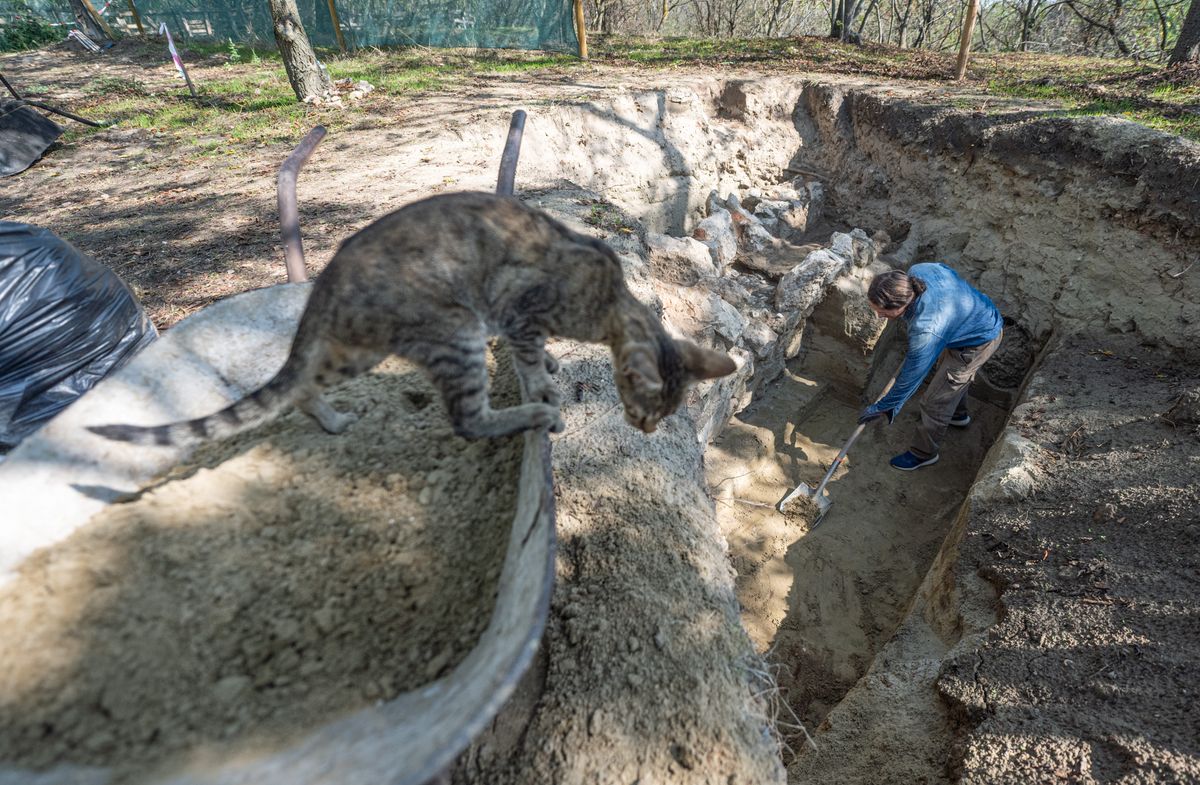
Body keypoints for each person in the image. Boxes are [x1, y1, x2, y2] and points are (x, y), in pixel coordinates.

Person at [858, 263, 1003, 471]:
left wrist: (885, 406)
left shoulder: (927, 330)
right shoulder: (920, 270)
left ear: (901, 305)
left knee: (935, 401)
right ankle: (958, 416)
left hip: (977, 341)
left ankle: (923, 453)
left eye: (883, 312)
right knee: (950, 379)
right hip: (967, 321)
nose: (879, 316)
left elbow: (911, 377)